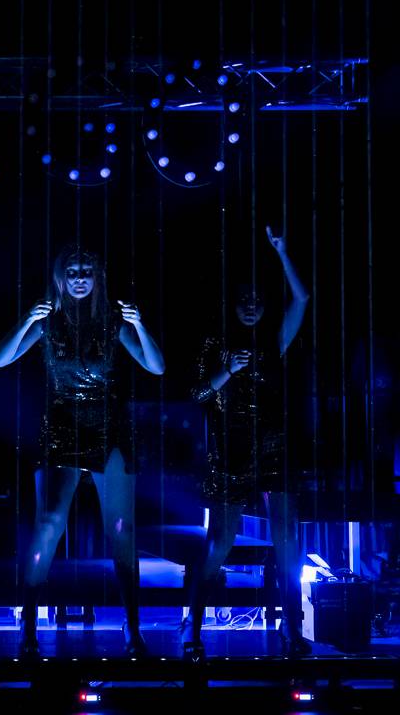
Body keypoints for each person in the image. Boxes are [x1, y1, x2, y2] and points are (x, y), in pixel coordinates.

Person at [0, 246, 165, 657]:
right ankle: (28, 626)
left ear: (98, 276)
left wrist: (139, 325)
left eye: (87, 271)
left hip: (109, 427)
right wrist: (27, 320)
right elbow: (0, 360)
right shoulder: (48, 322)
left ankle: (133, 628)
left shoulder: (112, 321)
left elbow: (156, 366)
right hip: (62, 426)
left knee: (121, 530)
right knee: (49, 522)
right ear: (60, 278)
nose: (80, 278)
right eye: (72, 271)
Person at [182, 225, 311, 659]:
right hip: (230, 451)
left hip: (274, 447)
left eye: (258, 300)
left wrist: (282, 252)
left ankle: (291, 627)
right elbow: (198, 392)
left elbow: (302, 299)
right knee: (219, 541)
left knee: (287, 539)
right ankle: (192, 626)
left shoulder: (276, 339)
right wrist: (227, 371)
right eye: (244, 300)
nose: (251, 306)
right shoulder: (216, 343)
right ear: (233, 303)